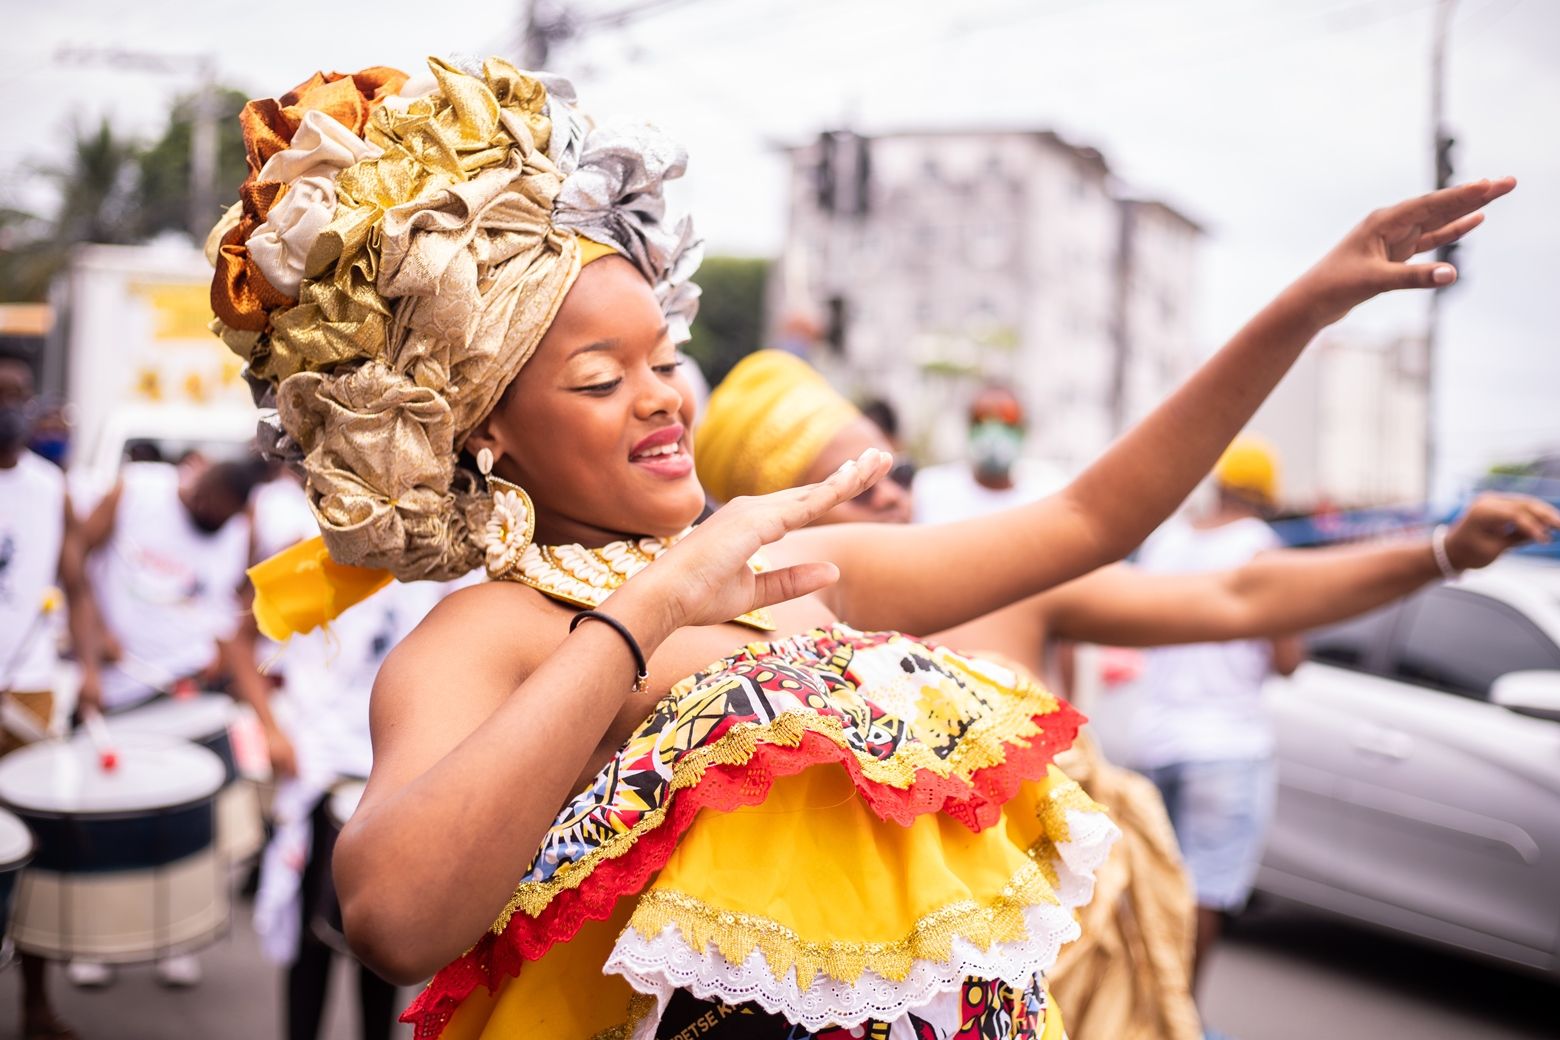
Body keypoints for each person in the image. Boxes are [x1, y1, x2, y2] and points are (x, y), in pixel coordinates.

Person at [206, 58, 1514, 1039]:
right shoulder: (488, 635)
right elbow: (393, 917)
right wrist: (646, 615)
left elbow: (1087, 522)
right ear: (487, 431)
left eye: (667, 356)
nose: (665, 394)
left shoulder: (781, 561)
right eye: (601, 378)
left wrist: (1302, 308)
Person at [695, 349, 1558, 1040]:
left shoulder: (1003, 581)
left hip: (1073, 975)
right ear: (775, 515)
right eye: (849, 483)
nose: (891, 494)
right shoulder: (748, 668)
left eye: (895, 468)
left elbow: (1238, 600)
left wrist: (1440, 554)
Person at [71, 452, 295, 989]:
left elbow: (231, 611)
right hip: (123, 692)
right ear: (195, 489)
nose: (211, 520)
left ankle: (171, 939)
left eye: (222, 517)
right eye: (205, 509)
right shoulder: (137, 490)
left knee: (186, 827)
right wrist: (92, 642)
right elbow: (74, 556)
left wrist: (223, 656)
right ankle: (97, 943)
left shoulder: (237, 529)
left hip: (191, 696)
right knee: (110, 822)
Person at [1123, 436, 1294, 997]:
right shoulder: (1263, 550)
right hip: (1228, 746)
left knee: (1152, 889)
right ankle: (1180, 1015)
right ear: (1267, 496)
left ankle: (1139, 1012)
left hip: (1154, 741)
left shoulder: (1166, 544)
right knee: (1207, 893)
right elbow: (1287, 658)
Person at [0, 355, 102, 1040]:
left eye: (18, 393)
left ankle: (35, 1005)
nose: (10, 404)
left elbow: (78, 584)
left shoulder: (51, 488)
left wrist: (89, 665)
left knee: (30, 846)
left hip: (30, 691)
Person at [911, 383, 1068, 525]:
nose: (994, 430)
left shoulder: (1050, 494)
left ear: (1023, 429)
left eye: (1008, 417)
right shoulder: (927, 490)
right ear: (968, 427)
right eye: (981, 418)